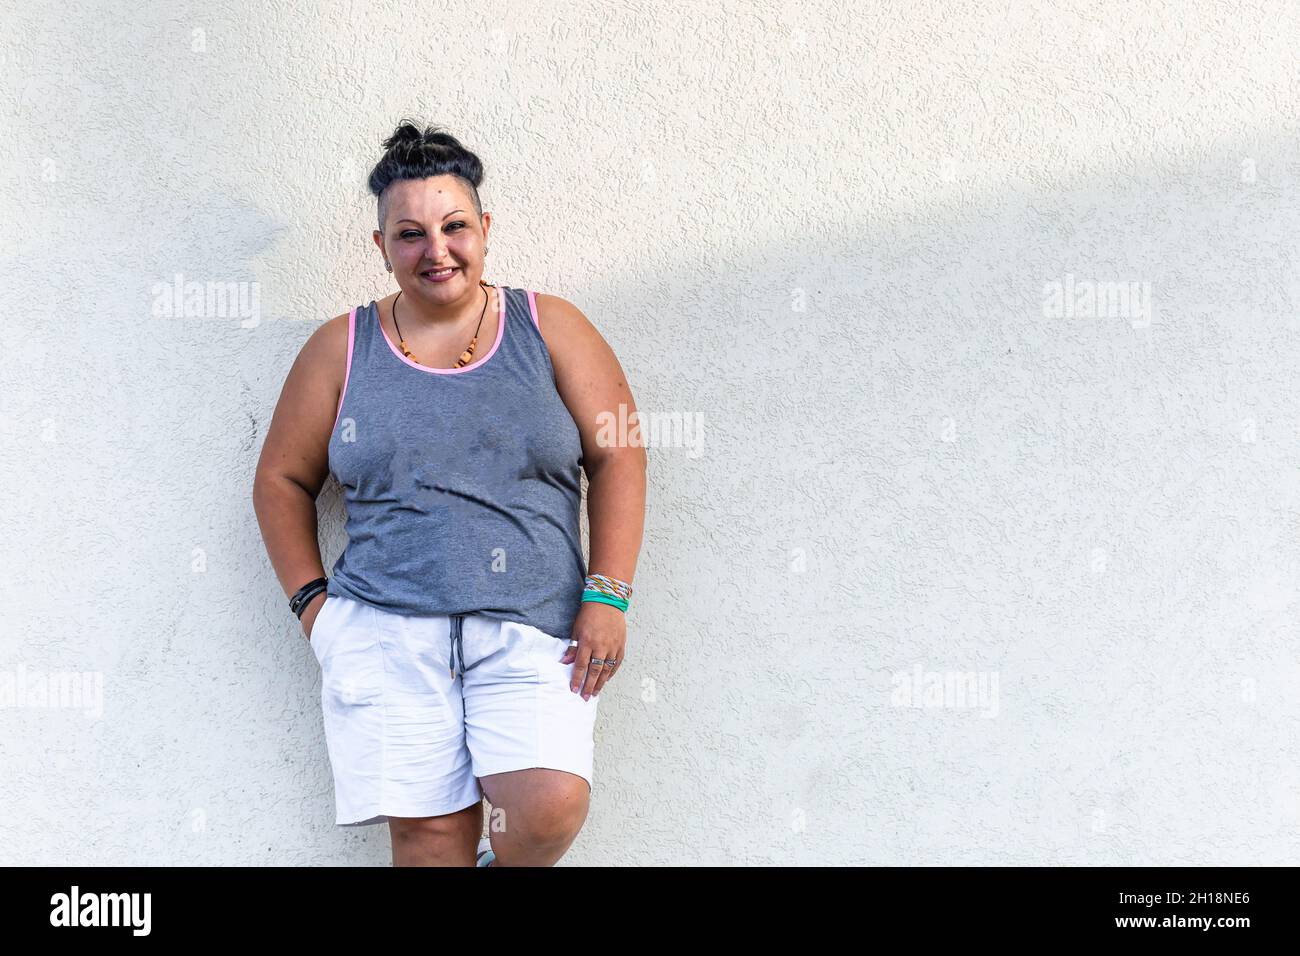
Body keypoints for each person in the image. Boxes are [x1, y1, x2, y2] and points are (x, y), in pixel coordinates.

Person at [252, 121, 648, 866]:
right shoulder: (342, 347)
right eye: (409, 234)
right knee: (430, 847)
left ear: (485, 229)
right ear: (382, 247)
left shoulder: (549, 327)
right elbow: (280, 479)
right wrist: (315, 610)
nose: (436, 250)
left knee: (547, 808)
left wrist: (610, 593)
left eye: (454, 226)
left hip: (533, 628)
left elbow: (619, 453)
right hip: (387, 632)